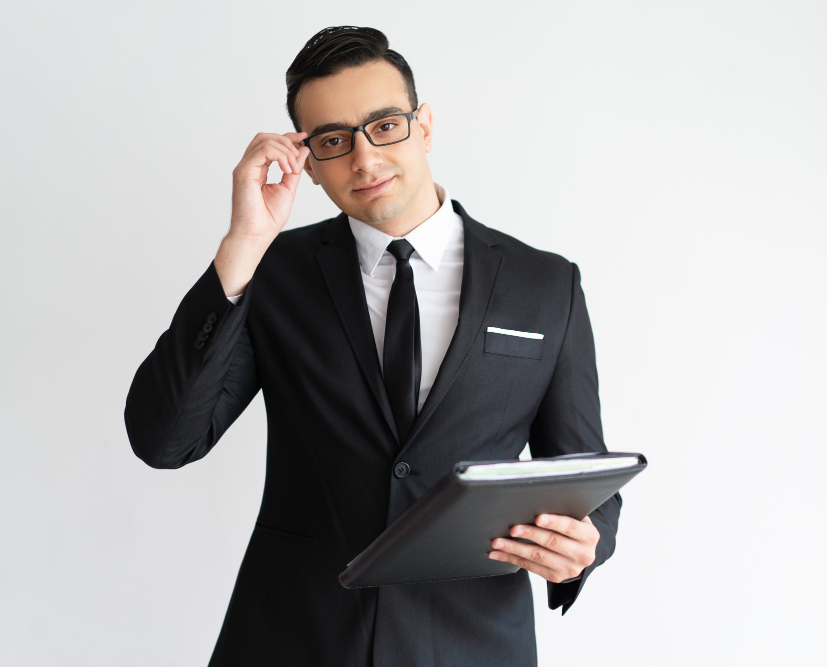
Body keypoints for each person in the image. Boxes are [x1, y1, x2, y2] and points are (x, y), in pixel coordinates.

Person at [124, 25, 622, 667]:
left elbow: (583, 472)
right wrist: (242, 246)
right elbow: (166, 441)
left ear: (425, 126)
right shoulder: (274, 272)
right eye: (334, 140)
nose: (364, 159)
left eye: (385, 125)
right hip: (294, 636)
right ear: (307, 159)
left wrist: (587, 543)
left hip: (470, 642)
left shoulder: (546, 283)